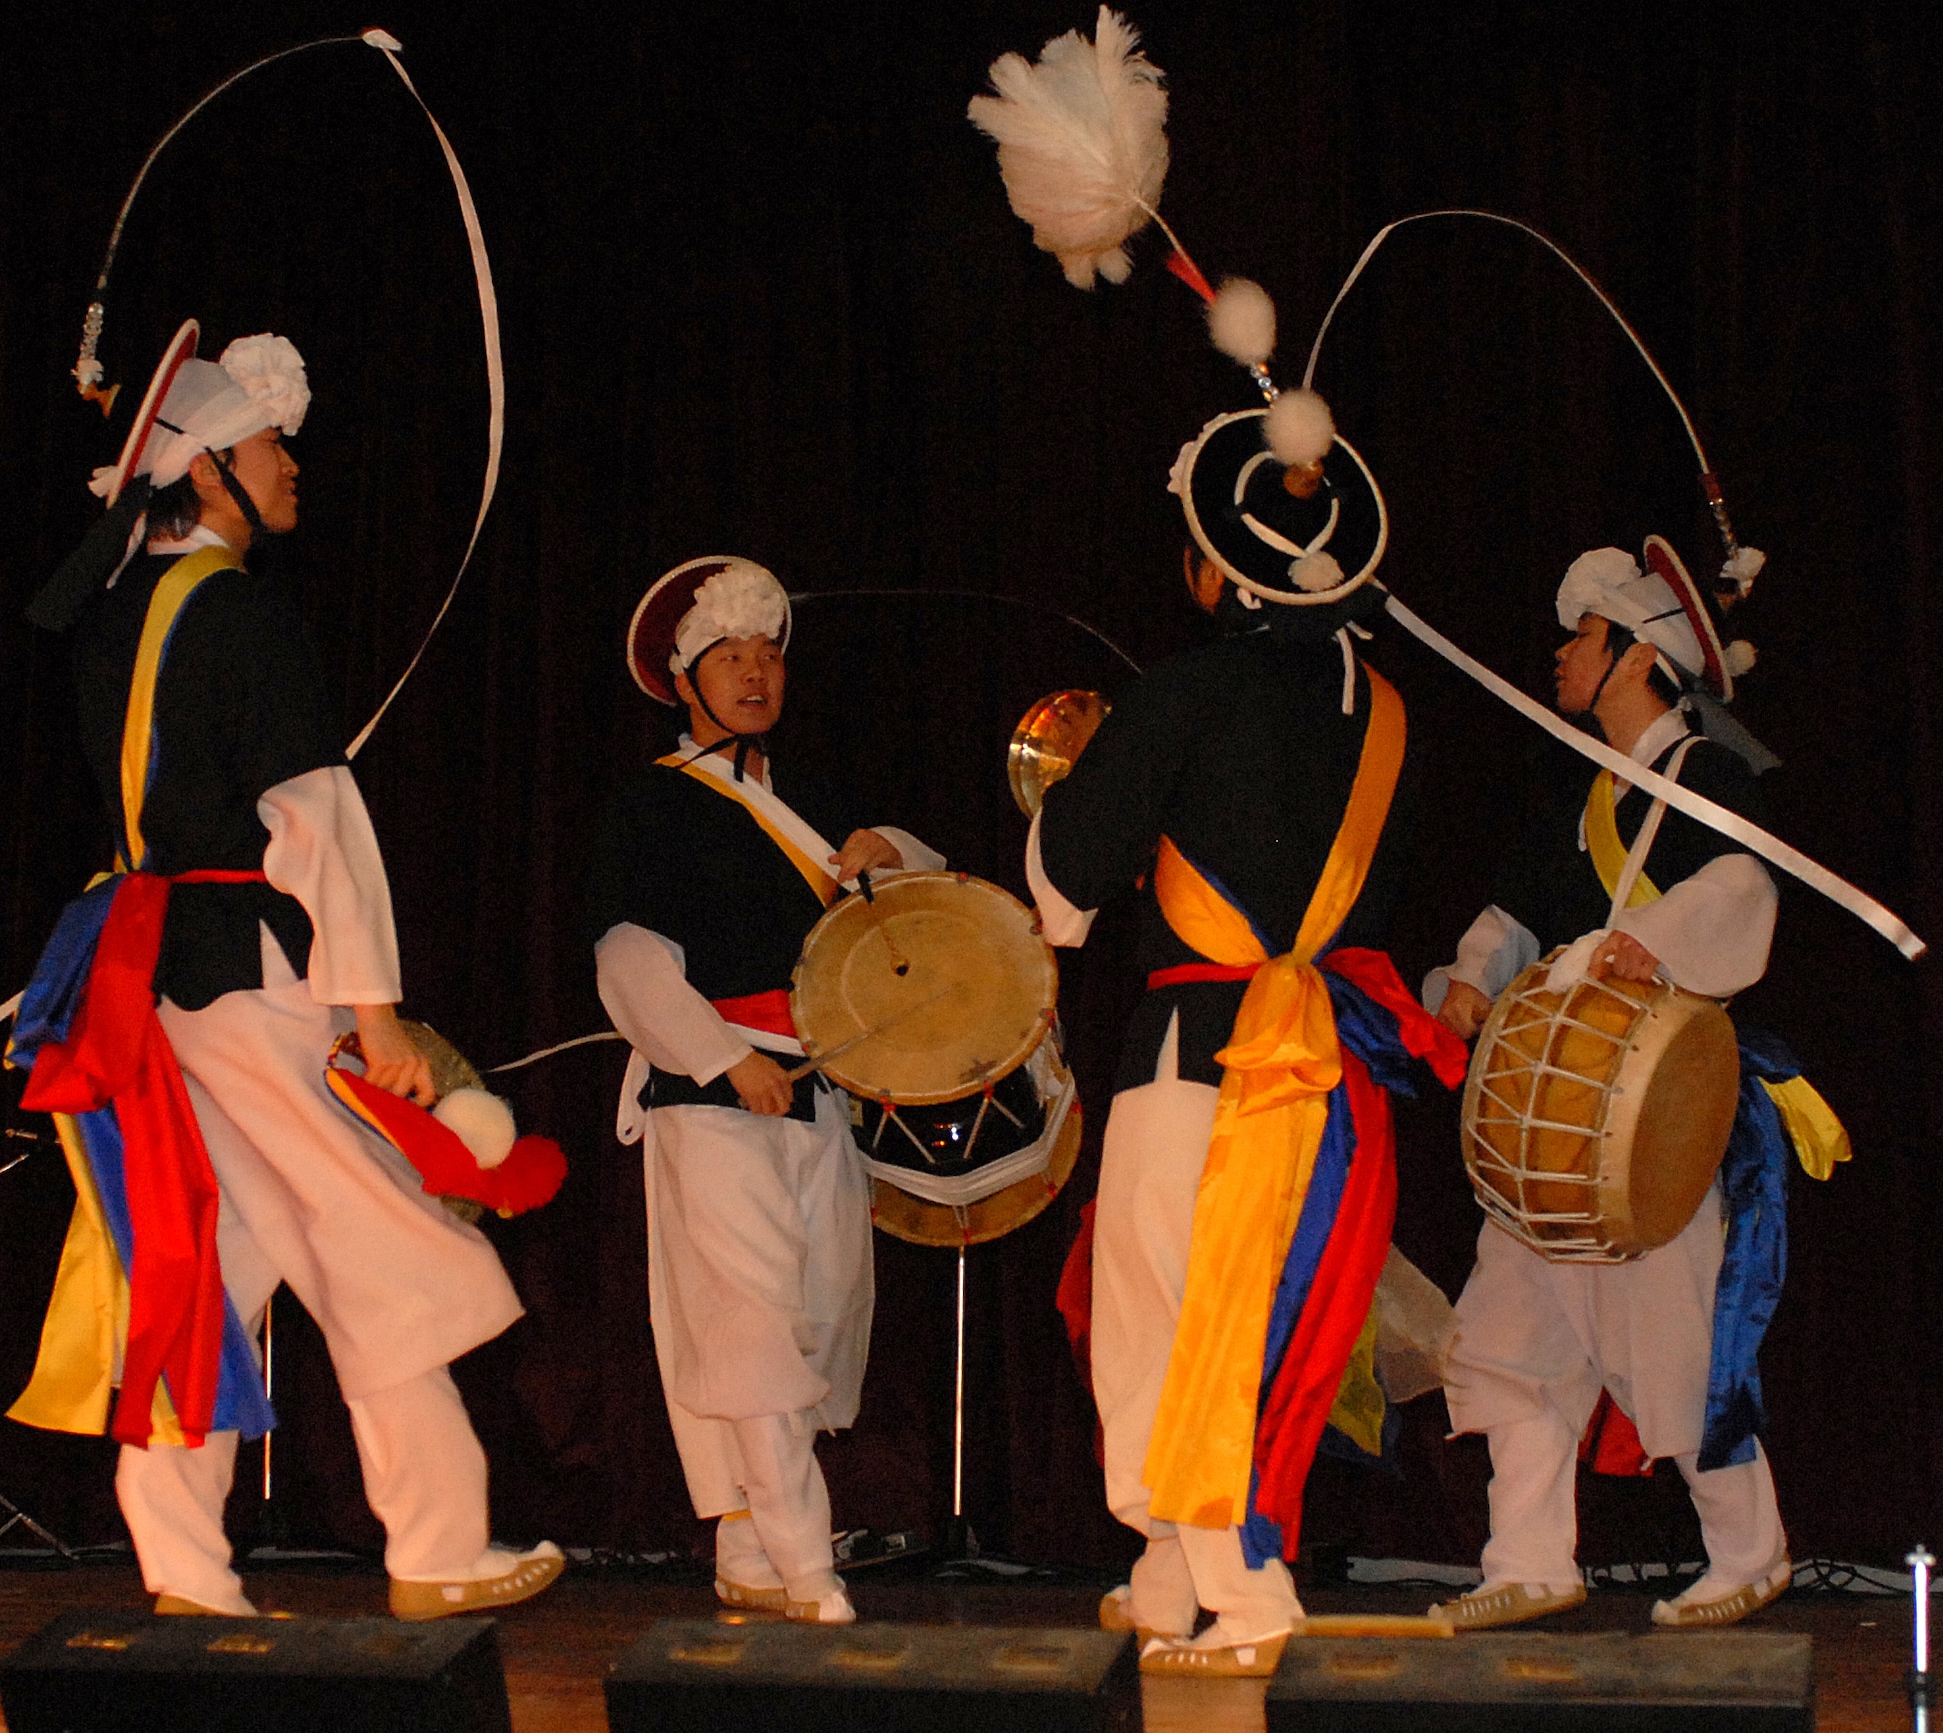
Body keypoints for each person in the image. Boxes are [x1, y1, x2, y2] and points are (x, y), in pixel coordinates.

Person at [11, 324, 564, 1621]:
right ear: (207, 474)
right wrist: (375, 1015)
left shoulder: (108, 630)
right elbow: (317, 816)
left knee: (217, 1262)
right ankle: (436, 1544)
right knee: (378, 1236)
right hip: (253, 982)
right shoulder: (244, 613)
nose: (292, 466)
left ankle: (187, 1570)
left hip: (157, 988)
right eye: (270, 447)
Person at [1028, 406, 1463, 1676]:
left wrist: (1075, 798)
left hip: (1195, 1053)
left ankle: (1246, 1587)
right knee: (1250, 1311)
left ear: (1212, 566)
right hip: (1322, 1058)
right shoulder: (1384, 707)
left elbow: (1068, 875)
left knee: (1171, 1320)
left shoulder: (1190, 689)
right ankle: (1168, 1572)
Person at [1426, 538, 1795, 1630]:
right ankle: (1530, 1554)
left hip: (1647, 1122)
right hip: (1553, 1128)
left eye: (1578, 636)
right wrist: (1467, 973)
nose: (1557, 654)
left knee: (1669, 1339)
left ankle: (1748, 1549)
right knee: (1513, 1335)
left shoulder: (1710, 781)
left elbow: (1738, 888)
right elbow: (1513, 915)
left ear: (1634, 656)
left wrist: (1651, 941)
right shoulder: (1584, 792)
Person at [593, 557, 943, 1626]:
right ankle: (806, 1565)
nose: (754, 672)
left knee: (815, 1317)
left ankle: (747, 1551)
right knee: (748, 1323)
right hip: (711, 1093)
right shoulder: (649, 803)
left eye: (768, 654)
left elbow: (922, 911)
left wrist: (897, 850)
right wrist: (714, 1055)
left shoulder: (815, 800)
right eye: (729, 656)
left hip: (812, 1088)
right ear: (684, 676)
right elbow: (627, 954)